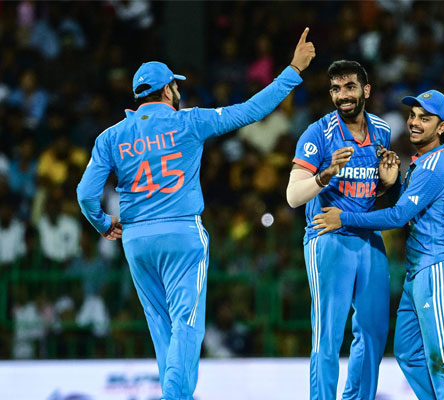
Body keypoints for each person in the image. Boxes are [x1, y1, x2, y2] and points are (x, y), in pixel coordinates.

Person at [76, 28, 315, 400]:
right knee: (187, 325)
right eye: (176, 86)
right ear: (168, 90)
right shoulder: (189, 120)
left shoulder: (111, 136)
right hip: (183, 234)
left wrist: (104, 225)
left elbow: (85, 195)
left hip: (137, 239)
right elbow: (251, 110)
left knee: (161, 326)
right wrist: (293, 72)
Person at [313, 90, 444, 400]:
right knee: (408, 352)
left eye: (424, 119)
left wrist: (343, 218)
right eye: (413, 116)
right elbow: (408, 208)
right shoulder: (421, 162)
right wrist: (393, 182)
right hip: (419, 272)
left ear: (442, 127)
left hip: (437, 268)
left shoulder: (435, 165)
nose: (414, 123)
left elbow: (399, 216)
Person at [286, 60, 398, 400]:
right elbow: (292, 196)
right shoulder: (317, 134)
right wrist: (326, 173)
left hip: (367, 236)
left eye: (349, 87)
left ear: (366, 90)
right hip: (328, 238)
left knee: (374, 331)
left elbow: (369, 188)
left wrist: (386, 185)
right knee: (329, 335)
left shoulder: (381, 130)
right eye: (335, 89)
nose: (342, 95)